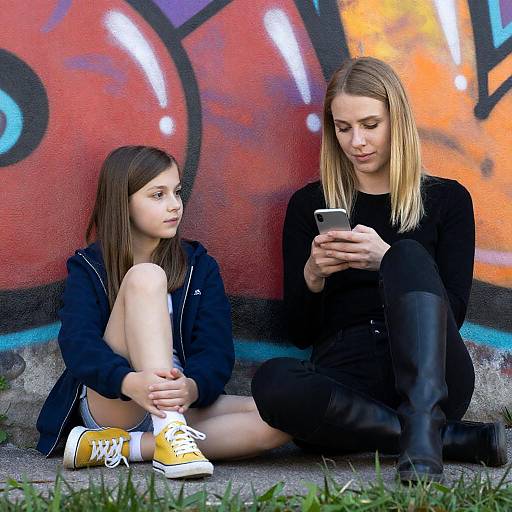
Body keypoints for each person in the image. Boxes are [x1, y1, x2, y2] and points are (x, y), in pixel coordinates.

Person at [251, 57, 507, 483]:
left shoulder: (447, 201)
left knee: (407, 254)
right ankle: (441, 439)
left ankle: (427, 421)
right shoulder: (307, 205)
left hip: (433, 376)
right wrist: (313, 275)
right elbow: (299, 333)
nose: (357, 142)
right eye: (343, 127)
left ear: (397, 121)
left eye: (371, 124)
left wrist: (387, 258)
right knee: (272, 382)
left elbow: (454, 314)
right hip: (346, 383)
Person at [36, 145, 290, 479]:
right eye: (157, 195)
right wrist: (129, 381)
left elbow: (215, 350)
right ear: (123, 203)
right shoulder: (90, 267)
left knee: (284, 419)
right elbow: (79, 344)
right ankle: (167, 431)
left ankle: (126, 446)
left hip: (178, 397)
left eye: (177, 192)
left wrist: (193, 387)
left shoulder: (199, 267)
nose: (174, 205)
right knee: (146, 276)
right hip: (119, 398)